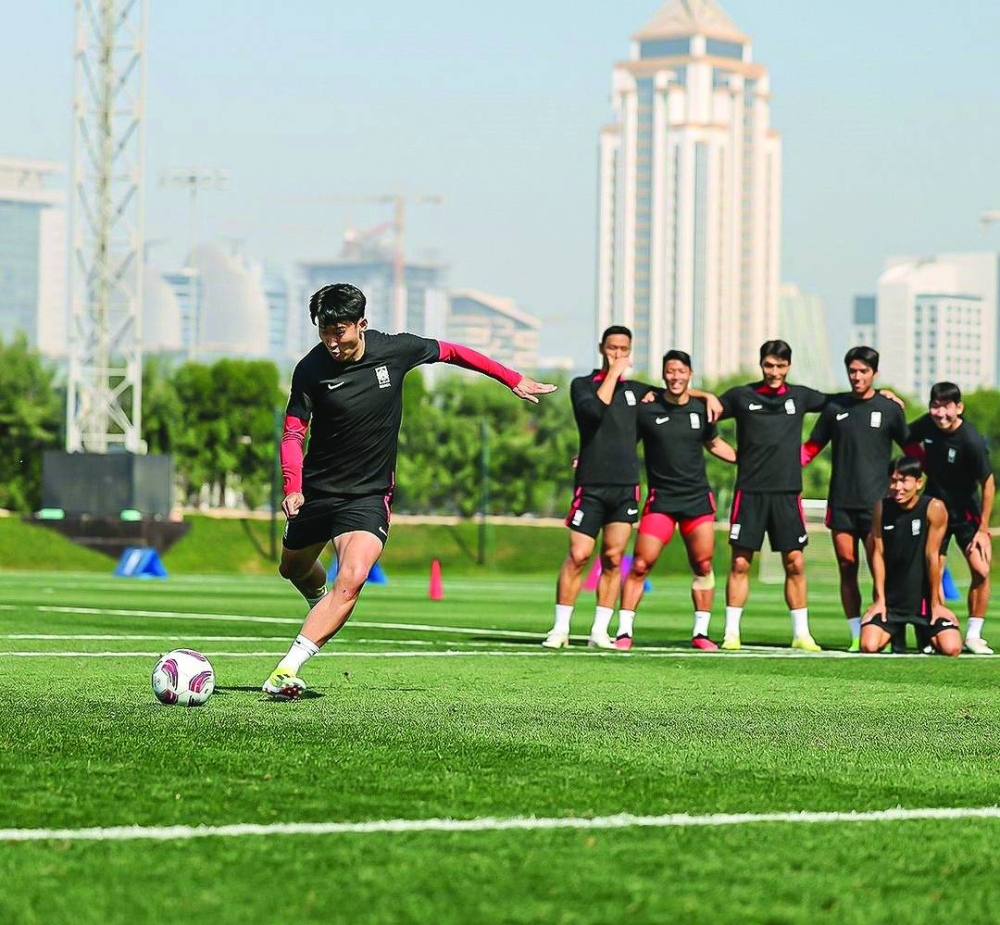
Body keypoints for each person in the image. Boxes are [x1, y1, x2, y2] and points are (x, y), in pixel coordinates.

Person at [262, 283, 556, 699]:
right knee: (292, 568)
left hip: (368, 495)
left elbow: (453, 351)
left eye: (339, 331)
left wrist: (511, 379)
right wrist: (293, 487)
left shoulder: (394, 350)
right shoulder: (311, 370)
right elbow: (293, 433)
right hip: (317, 492)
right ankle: (318, 599)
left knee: (354, 576)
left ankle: (286, 669)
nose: (331, 341)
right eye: (323, 331)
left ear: (361, 324)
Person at [616, 350, 735, 651]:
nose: (675, 377)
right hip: (661, 501)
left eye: (681, 371)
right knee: (641, 564)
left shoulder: (700, 408)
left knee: (703, 565)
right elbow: (622, 441)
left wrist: (746, 461)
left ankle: (701, 633)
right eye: (670, 371)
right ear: (663, 374)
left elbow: (714, 443)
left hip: (697, 501)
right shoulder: (647, 410)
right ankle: (624, 632)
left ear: (689, 374)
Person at [717, 340, 830, 651]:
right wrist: (724, 451)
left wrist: (883, 397)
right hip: (749, 493)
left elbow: (841, 402)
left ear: (789, 367)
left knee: (795, 563)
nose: (774, 372)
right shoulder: (741, 396)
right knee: (740, 564)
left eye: (781, 366)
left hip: (787, 493)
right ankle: (731, 633)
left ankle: (802, 634)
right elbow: (703, 411)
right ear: (761, 365)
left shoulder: (801, 396)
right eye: (769, 365)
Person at [542, 326, 648, 650]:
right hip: (591, 485)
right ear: (602, 348)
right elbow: (594, 412)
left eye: (623, 349)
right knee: (579, 555)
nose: (618, 354)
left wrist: (706, 396)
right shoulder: (583, 386)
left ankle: (600, 631)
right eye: (612, 348)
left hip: (625, 486)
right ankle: (560, 628)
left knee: (614, 559)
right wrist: (614, 373)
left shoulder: (638, 392)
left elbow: (674, 401)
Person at [800, 347, 908, 652]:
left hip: (877, 506)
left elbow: (912, 450)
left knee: (880, 568)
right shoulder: (835, 408)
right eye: (852, 371)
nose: (857, 376)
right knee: (847, 565)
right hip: (841, 502)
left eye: (863, 371)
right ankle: (854, 632)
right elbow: (810, 448)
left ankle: (883, 624)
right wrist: (779, 465)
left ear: (875, 373)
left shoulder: (889, 409)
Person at [905, 382, 995, 654]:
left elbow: (988, 483)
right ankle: (936, 628)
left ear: (959, 408)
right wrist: (920, 463)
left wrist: (983, 528)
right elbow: (904, 435)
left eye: (946, 406)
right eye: (935, 405)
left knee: (981, 570)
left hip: (967, 513)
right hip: (935, 509)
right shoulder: (927, 425)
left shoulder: (970, 439)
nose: (940, 412)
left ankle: (974, 635)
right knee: (933, 570)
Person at [860, 455, 962, 656]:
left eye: (904, 481)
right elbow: (878, 553)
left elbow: (933, 556)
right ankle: (894, 633)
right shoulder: (881, 507)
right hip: (892, 603)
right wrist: (880, 600)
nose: (898, 487)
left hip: (923, 602)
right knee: (868, 646)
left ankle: (925, 634)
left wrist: (936, 603)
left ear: (919, 482)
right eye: (894, 480)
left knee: (952, 648)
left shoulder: (934, 508)